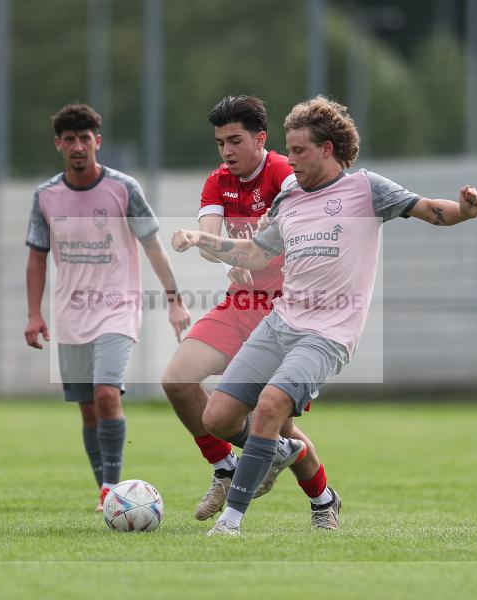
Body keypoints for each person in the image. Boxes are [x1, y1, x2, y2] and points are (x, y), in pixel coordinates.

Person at [171, 96, 477, 535]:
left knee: (270, 406)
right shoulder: (290, 195)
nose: (290, 158)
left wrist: (465, 213)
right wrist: (202, 241)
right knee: (217, 418)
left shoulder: (366, 188)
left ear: (328, 148)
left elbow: (431, 210)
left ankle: (231, 521)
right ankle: (295, 461)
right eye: (289, 148)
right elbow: (258, 252)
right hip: (282, 321)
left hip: (329, 332)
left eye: (299, 150)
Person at [161, 96, 336, 527]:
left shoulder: (285, 174)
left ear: (260, 138)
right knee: (177, 380)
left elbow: (300, 235)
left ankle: (323, 500)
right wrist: (222, 255)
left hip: (285, 314)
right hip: (239, 307)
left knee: (276, 425)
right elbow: (209, 241)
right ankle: (225, 468)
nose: (226, 152)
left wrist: (255, 257)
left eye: (235, 141)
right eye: (220, 142)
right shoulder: (217, 182)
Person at [24, 103, 191, 511]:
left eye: (85, 138)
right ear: (59, 145)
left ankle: (111, 490)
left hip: (117, 308)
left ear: (97, 142)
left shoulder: (123, 188)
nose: (78, 146)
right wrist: (33, 314)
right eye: (70, 139)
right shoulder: (46, 196)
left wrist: (174, 299)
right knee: (87, 410)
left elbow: (152, 244)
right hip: (70, 314)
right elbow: (36, 257)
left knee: (105, 396)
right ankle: (105, 488)